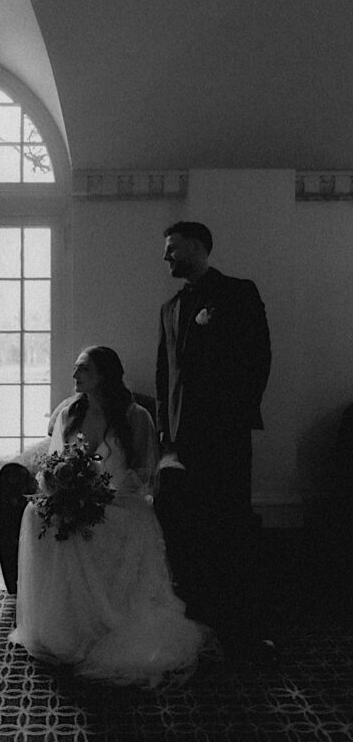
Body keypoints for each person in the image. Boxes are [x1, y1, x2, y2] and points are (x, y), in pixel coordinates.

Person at [11, 346, 206, 688]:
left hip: (123, 503)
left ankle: (102, 622)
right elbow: (55, 460)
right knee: (35, 515)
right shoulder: (69, 412)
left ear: (104, 374)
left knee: (98, 525)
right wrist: (60, 486)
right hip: (79, 497)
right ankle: (62, 623)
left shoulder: (134, 417)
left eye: (82, 369)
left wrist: (103, 493)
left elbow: (146, 476)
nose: (74, 376)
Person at [155, 221, 272, 663]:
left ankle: (243, 630)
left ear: (198, 247)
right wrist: (167, 434)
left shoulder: (237, 293)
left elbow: (259, 357)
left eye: (172, 248)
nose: (166, 257)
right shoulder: (168, 308)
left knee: (231, 528)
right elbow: (166, 375)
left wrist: (235, 417)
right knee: (191, 531)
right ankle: (201, 621)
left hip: (225, 437)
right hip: (182, 443)